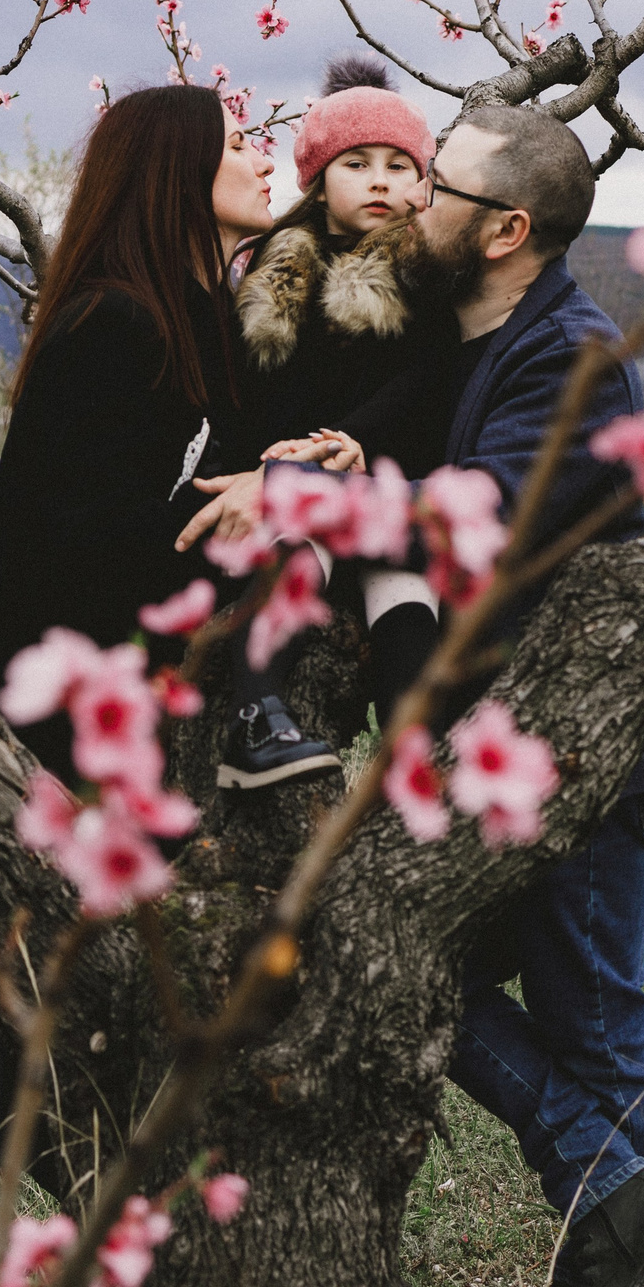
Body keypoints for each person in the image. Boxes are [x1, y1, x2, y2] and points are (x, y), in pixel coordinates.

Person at [0, 83, 298, 1262]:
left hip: (125, 700)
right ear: (175, 170)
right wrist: (230, 535)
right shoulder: (114, 327)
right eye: (238, 143)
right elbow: (85, 541)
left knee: (68, 972)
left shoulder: (198, 319)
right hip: (61, 706)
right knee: (65, 962)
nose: (265, 159)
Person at [417, 105, 644, 1287]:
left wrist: (318, 494)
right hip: (502, 747)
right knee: (418, 972)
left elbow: (479, 518)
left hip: (585, 742)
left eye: (434, 183)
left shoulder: (574, 358)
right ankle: (625, 1216)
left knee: (585, 1012)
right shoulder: (463, 333)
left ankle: (612, 1255)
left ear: (504, 230)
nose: (413, 197)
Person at [193, 54, 461, 771]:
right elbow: (256, 387)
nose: (379, 181)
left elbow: (427, 378)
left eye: (399, 166)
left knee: (403, 590)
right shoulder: (278, 265)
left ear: (423, 181)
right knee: (293, 556)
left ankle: (412, 755)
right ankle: (256, 712)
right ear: (317, 178)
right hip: (293, 476)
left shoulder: (427, 268)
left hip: (381, 472)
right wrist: (273, 459)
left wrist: (359, 441)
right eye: (356, 164)